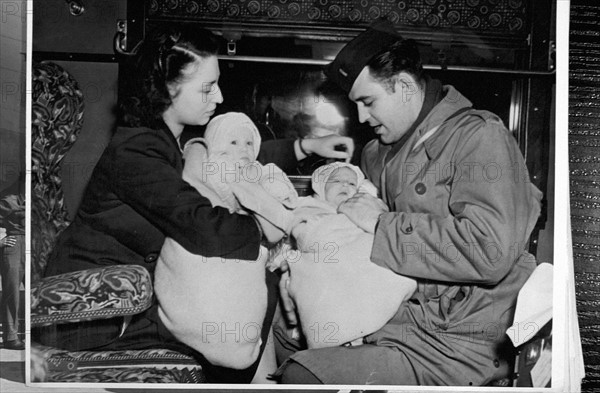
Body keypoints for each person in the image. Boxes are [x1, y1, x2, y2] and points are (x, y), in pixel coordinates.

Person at [33, 24, 353, 383]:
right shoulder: (136, 151)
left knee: (256, 290)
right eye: (207, 88)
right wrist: (275, 231)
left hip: (137, 297)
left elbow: (228, 157)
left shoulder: (162, 140)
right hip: (104, 312)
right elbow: (203, 225)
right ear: (168, 88)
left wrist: (305, 147)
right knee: (251, 292)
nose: (218, 97)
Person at [275, 19, 543, 386]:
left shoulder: (479, 137)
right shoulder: (376, 155)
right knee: (279, 328)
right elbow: (347, 233)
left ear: (402, 86)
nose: (362, 118)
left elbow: (491, 251)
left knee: (301, 375)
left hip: (463, 337)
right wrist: (297, 271)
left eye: (368, 102)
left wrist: (382, 225)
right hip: (404, 316)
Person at [155, 112, 297, 374]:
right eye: (232, 143)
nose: (242, 149)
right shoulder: (207, 165)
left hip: (243, 253)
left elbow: (280, 211)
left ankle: (247, 354)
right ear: (215, 145)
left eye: (248, 143)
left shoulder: (256, 174)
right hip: (201, 254)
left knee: (265, 282)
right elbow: (199, 202)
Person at [274, 162, 416, 350]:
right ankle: (340, 332)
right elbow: (300, 237)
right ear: (320, 186)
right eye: (337, 181)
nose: (344, 186)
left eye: (351, 184)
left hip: (355, 257)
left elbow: (378, 232)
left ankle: (364, 327)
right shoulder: (306, 207)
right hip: (322, 259)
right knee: (318, 281)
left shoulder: (363, 210)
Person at [0, 175, 26, 351]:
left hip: (37, 241)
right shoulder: (9, 199)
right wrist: (0, 240)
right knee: (12, 292)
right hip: (16, 242)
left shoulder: (43, 198)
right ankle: (11, 337)